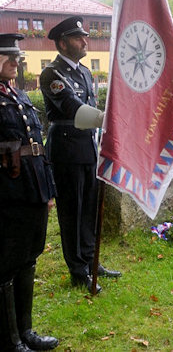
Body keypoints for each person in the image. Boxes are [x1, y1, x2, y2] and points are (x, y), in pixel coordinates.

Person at [40, 16, 121, 295]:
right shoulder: (52, 74)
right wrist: (110, 120)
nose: (85, 41)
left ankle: (90, 259)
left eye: (84, 36)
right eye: (78, 38)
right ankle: (77, 270)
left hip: (87, 148)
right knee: (72, 211)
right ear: (62, 43)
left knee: (88, 208)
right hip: (66, 150)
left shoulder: (85, 72)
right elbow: (74, 109)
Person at [0, 33, 59, 351]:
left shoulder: (18, 96)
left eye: (16, 56)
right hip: (8, 194)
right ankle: (10, 339)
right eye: (7, 56)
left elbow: (37, 145)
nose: (15, 61)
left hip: (33, 188)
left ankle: (27, 331)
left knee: (28, 259)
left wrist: (48, 190)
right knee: (7, 263)